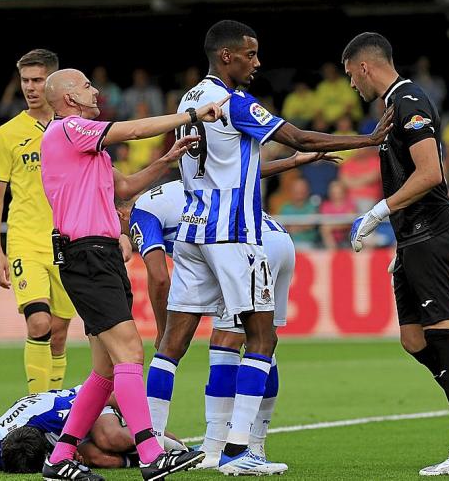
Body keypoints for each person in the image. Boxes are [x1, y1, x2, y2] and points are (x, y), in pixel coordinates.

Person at [146, 19, 392, 477]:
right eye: (250, 54)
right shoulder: (234, 102)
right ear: (226, 56)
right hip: (234, 236)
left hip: (193, 232)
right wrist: (370, 139)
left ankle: (152, 447)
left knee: (170, 345)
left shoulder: (189, 100)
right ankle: (241, 452)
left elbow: (237, 165)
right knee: (262, 336)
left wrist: (297, 161)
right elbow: (297, 134)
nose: (257, 63)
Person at [39, 67, 226, 480]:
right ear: (69, 98)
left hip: (98, 255)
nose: (95, 90)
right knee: (131, 354)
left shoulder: (86, 146)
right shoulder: (69, 129)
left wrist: (166, 161)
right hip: (87, 255)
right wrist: (190, 116)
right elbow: (134, 130)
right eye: (87, 86)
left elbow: (123, 188)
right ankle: (149, 452)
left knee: (105, 371)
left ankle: (59, 459)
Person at [345, 33, 449, 476]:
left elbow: (430, 173)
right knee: (414, 339)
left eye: (350, 75)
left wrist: (379, 212)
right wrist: (399, 238)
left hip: (431, 230)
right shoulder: (393, 107)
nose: (351, 86)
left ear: (365, 67)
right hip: (412, 237)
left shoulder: (409, 100)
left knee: (442, 332)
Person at [120, 151, 333, 471]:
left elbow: (160, 277)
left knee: (229, 344)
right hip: (275, 238)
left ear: (121, 210)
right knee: (252, 342)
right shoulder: (188, 184)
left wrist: (164, 330)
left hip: (246, 247)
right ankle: (240, 446)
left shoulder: (140, 211)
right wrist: (294, 161)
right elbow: (248, 172)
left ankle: (172, 444)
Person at [0, 49, 76, 394]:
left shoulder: (74, 127)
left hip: (68, 242)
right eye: (25, 80)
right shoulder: (8, 133)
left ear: (52, 82)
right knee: (39, 321)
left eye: (38, 80)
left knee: (60, 333)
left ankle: (52, 412)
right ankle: (36, 413)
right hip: (26, 240)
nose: (30, 87)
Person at [0, 386, 188, 473]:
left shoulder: (54, 415)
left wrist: (137, 421)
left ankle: (176, 449)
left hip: (89, 401)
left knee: (111, 439)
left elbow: (109, 395)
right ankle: (135, 459)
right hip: (57, 430)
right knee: (97, 458)